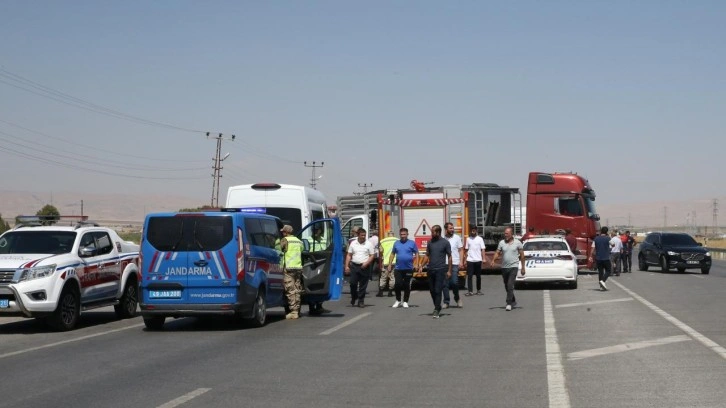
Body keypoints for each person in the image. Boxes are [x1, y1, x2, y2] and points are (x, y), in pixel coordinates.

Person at [418, 225, 452, 319]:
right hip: (430, 270)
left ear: (438, 232)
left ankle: (436, 309)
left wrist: (449, 270)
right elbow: (427, 255)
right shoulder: (430, 243)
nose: (431, 234)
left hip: (440, 270)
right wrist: (421, 265)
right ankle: (438, 305)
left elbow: (449, 257)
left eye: (433, 232)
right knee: (432, 290)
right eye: (431, 232)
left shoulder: (445, 243)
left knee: (438, 290)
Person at [490, 227, 525, 311]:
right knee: (506, 285)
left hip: (514, 266)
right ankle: (513, 299)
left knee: (510, 284)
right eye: (505, 233)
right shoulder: (502, 243)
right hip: (504, 267)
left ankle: (508, 303)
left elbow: (522, 256)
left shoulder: (518, 243)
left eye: (507, 233)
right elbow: (497, 252)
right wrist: (493, 260)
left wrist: (523, 267)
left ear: (511, 234)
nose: (505, 235)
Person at [388, 228, 419, 308]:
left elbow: (416, 253)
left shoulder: (412, 243)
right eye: (401, 235)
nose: (403, 236)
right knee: (397, 284)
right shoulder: (396, 243)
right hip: (398, 268)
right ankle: (398, 300)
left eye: (404, 234)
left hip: (408, 268)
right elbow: (392, 254)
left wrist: (416, 263)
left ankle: (405, 301)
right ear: (400, 235)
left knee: (406, 285)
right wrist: (390, 264)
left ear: (407, 234)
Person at [345, 227, 375, 308]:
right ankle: (354, 296)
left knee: (363, 285)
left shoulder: (369, 244)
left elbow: (372, 255)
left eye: (364, 235)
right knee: (352, 283)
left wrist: (366, 263)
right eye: (362, 235)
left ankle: (361, 301)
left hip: (364, 266)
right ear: (358, 235)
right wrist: (346, 266)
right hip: (354, 266)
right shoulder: (353, 243)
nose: (363, 237)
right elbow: (349, 255)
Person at [280, 225, 303, 320]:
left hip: (288, 268)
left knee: (290, 290)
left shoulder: (285, 240)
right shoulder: (299, 241)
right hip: (298, 267)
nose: (282, 233)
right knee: (297, 290)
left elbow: (279, 250)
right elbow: (301, 251)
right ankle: (297, 310)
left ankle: (293, 312)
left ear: (286, 232)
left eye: (283, 232)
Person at [306, 227, 331, 315]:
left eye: (317, 230)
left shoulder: (323, 240)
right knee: (313, 283)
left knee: (322, 283)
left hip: (323, 262)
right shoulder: (308, 239)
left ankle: (319, 305)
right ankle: (312, 306)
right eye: (314, 230)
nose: (316, 232)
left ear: (320, 231)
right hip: (313, 262)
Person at [443, 222, 464, 308]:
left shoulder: (457, 238)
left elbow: (461, 250)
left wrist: (461, 261)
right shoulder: (442, 239)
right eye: (450, 228)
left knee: (454, 282)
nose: (452, 230)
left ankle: (457, 298)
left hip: (455, 263)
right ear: (446, 229)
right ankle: (446, 301)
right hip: (444, 263)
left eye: (453, 228)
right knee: (445, 284)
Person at [463, 226, 487, 296]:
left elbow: (483, 249)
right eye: (472, 231)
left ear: (476, 231)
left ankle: (478, 290)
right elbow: (466, 250)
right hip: (470, 260)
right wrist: (465, 260)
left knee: (478, 276)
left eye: (474, 230)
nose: (473, 232)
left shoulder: (480, 239)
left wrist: (484, 258)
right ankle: (470, 291)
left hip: (478, 260)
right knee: (469, 276)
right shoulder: (468, 239)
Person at [589, 226, 612, 290]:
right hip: (606, 258)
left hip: (598, 258)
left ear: (601, 231)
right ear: (606, 232)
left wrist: (590, 256)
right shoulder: (608, 238)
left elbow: (592, 248)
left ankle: (601, 286)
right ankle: (603, 281)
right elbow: (613, 244)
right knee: (608, 270)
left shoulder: (596, 239)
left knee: (600, 272)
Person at [377, 230, 397, 297]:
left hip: (385, 262)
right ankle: (390, 292)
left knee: (383, 277)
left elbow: (381, 251)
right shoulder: (397, 240)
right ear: (393, 234)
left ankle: (381, 292)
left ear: (388, 235)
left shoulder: (383, 241)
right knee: (392, 277)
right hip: (394, 261)